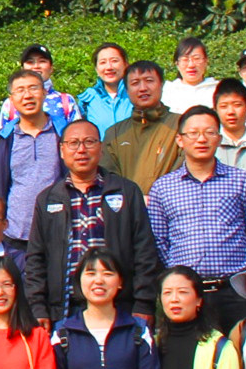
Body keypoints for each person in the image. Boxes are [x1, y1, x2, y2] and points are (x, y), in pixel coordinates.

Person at [23, 119, 160, 324]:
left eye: (89, 142)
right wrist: (38, 308)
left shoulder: (126, 191)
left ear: (101, 148)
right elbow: (36, 258)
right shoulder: (48, 199)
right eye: (73, 143)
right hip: (65, 309)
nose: (81, 150)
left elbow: (144, 250)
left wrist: (143, 303)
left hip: (120, 307)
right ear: (62, 150)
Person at [148, 108, 246, 330]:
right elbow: (159, 241)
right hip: (186, 294)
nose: (202, 139)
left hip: (235, 292)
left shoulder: (242, 181)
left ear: (219, 139)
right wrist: (178, 277)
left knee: (238, 348)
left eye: (209, 132)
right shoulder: (162, 188)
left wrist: (244, 274)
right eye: (193, 133)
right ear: (180, 140)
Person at [0, 70, 64, 255]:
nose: (27, 95)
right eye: (20, 90)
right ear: (11, 99)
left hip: (57, 232)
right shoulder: (4, 139)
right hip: (14, 234)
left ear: (44, 93)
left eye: (33, 88)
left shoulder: (62, 133)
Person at [99, 61, 180, 190]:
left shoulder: (181, 125)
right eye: (135, 83)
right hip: (129, 202)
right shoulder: (114, 133)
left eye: (149, 81)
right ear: (127, 90)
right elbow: (108, 177)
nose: (143, 88)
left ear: (161, 84)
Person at [0, 45, 79, 137]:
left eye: (42, 61)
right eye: (30, 62)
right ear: (23, 69)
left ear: (51, 68)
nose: (36, 66)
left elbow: (79, 136)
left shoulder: (66, 101)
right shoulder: (10, 103)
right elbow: (2, 138)